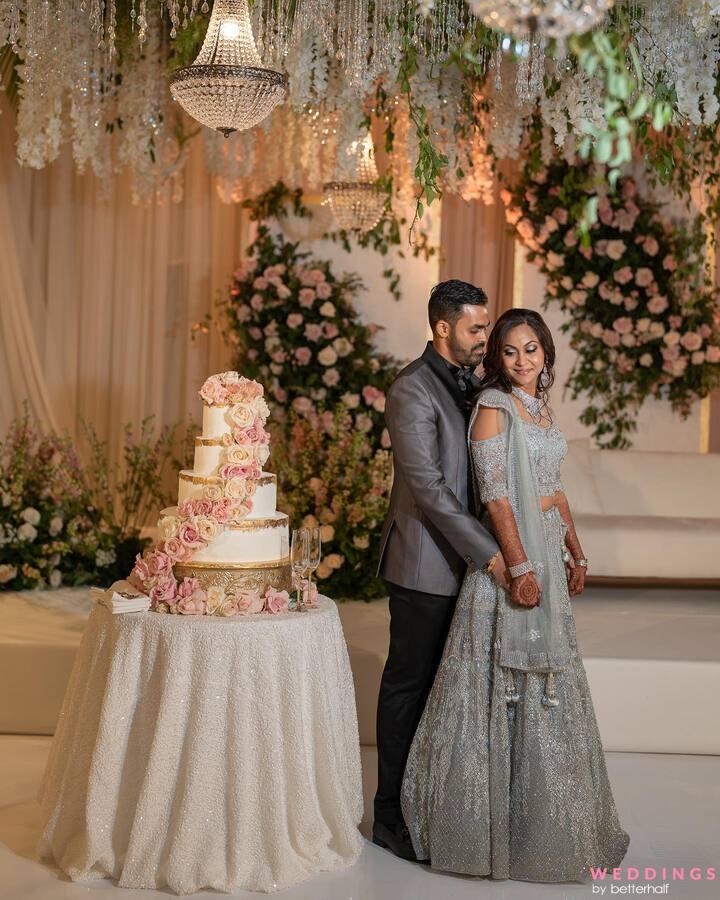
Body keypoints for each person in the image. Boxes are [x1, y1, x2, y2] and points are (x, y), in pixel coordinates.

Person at [400, 308, 631, 882]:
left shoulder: (540, 410)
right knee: (501, 689)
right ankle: (487, 830)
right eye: (509, 351)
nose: (522, 360)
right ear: (497, 360)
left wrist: (576, 552)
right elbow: (498, 498)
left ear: (546, 353)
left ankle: (546, 825)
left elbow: (552, 493)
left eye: (532, 349)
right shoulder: (494, 411)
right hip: (511, 568)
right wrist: (519, 569)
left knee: (548, 692)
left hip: (547, 560)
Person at [372, 280, 507, 861]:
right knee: (409, 688)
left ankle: (433, 806)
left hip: (469, 565)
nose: (487, 338)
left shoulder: (476, 383)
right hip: (425, 564)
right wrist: (491, 551)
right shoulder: (410, 389)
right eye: (477, 328)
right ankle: (388, 818)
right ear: (443, 328)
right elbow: (427, 488)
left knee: (448, 693)